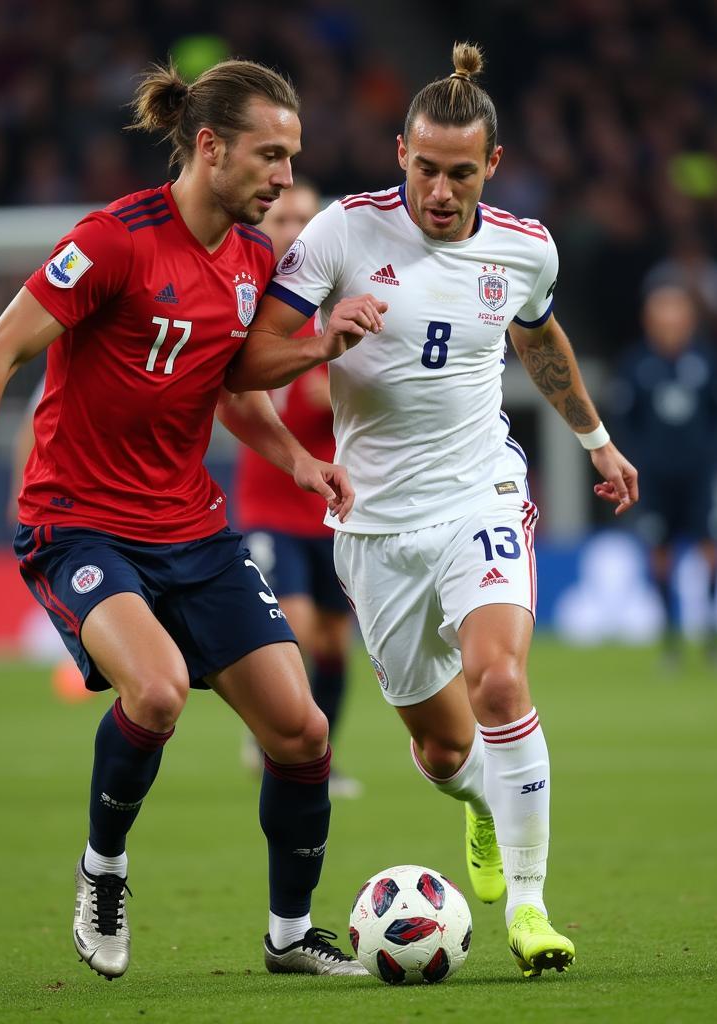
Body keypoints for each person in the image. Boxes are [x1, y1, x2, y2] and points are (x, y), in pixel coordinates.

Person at [0, 58, 368, 981]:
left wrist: (301, 459)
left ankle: (289, 936)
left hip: (193, 529)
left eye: (292, 157)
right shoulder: (113, 241)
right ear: (208, 145)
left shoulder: (253, 258)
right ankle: (103, 868)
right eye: (270, 156)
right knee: (155, 694)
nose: (282, 177)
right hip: (78, 524)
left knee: (304, 733)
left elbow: (230, 387)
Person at [226, 41, 639, 979]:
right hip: (374, 525)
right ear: (397, 153)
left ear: (490, 166)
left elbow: (538, 341)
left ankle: (531, 909)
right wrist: (325, 338)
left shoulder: (526, 247)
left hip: (480, 492)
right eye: (424, 169)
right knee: (442, 745)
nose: (440, 191)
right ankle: (483, 808)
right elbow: (243, 365)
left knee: (499, 685)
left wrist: (595, 440)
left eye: (460, 173)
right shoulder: (338, 234)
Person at [233, 178, 360, 798]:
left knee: (334, 641)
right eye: (283, 217)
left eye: (306, 219)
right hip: (269, 502)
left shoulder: (342, 304)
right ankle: (277, 738)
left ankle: (318, 756)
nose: (294, 229)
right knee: (297, 628)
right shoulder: (246, 300)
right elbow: (234, 395)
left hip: (331, 508)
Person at [611, 284, 717, 666]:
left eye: (677, 316)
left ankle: (712, 636)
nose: (670, 325)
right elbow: (624, 421)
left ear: (689, 321)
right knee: (660, 554)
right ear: (650, 322)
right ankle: (671, 640)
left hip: (698, 475)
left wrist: (705, 454)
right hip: (655, 479)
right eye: (663, 317)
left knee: (711, 550)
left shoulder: (706, 360)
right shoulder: (636, 364)